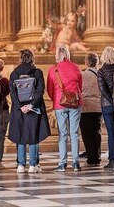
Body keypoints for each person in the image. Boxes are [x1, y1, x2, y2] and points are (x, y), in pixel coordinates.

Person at [8, 49, 51, 173]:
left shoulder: (14, 74)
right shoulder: (37, 72)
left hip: (19, 109)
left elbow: (13, 93)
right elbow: (40, 91)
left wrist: (21, 106)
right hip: (34, 108)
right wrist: (31, 105)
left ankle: (21, 165)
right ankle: (33, 165)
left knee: (20, 135)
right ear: (32, 58)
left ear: (20, 58)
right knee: (33, 135)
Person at [47, 44, 83, 172]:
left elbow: (50, 89)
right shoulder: (75, 67)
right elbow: (80, 85)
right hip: (75, 103)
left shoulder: (53, 69)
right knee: (74, 133)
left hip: (59, 103)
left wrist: (56, 100)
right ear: (68, 54)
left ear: (57, 55)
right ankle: (75, 163)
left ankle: (62, 163)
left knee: (62, 134)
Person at [80, 53, 102, 167]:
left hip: (86, 107)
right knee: (97, 133)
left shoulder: (82, 75)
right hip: (98, 107)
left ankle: (90, 159)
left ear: (87, 62)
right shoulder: (100, 74)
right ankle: (97, 158)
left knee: (87, 134)